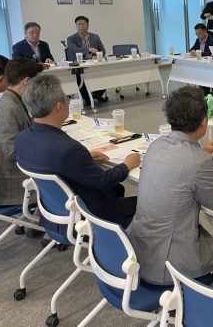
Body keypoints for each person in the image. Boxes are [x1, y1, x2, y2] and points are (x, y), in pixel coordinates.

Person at [130, 86, 213, 285]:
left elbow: (180, 161)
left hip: (138, 250)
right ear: (204, 122)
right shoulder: (200, 161)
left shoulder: (156, 145)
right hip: (167, 262)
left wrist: (201, 151)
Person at [15, 74, 141, 230]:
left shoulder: (22, 139)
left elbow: (52, 162)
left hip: (56, 210)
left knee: (119, 190)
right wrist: (127, 164)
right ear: (59, 106)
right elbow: (104, 181)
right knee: (152, 204)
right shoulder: (68, 149)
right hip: (91, 216)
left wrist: (83, 159)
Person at [0, 59, 43, 206]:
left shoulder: (9, 102)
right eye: (37, 82)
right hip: (14, 186)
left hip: (9, 176)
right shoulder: (9, 109)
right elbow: (13, 152)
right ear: (27, 81)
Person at [66, 16, 107, 104]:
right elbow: (73, 50)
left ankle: (96, 94)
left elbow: (102, 50)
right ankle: (87, 98)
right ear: (76, 26)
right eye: (79, 24)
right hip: (80, 66)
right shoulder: (71, 38)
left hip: (94, 64)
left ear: (88, 25)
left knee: (105, 74)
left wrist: (97, 56)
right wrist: (88, 49)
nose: (81, 26)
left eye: (83, 24)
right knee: (80, 78)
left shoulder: (95, 37)